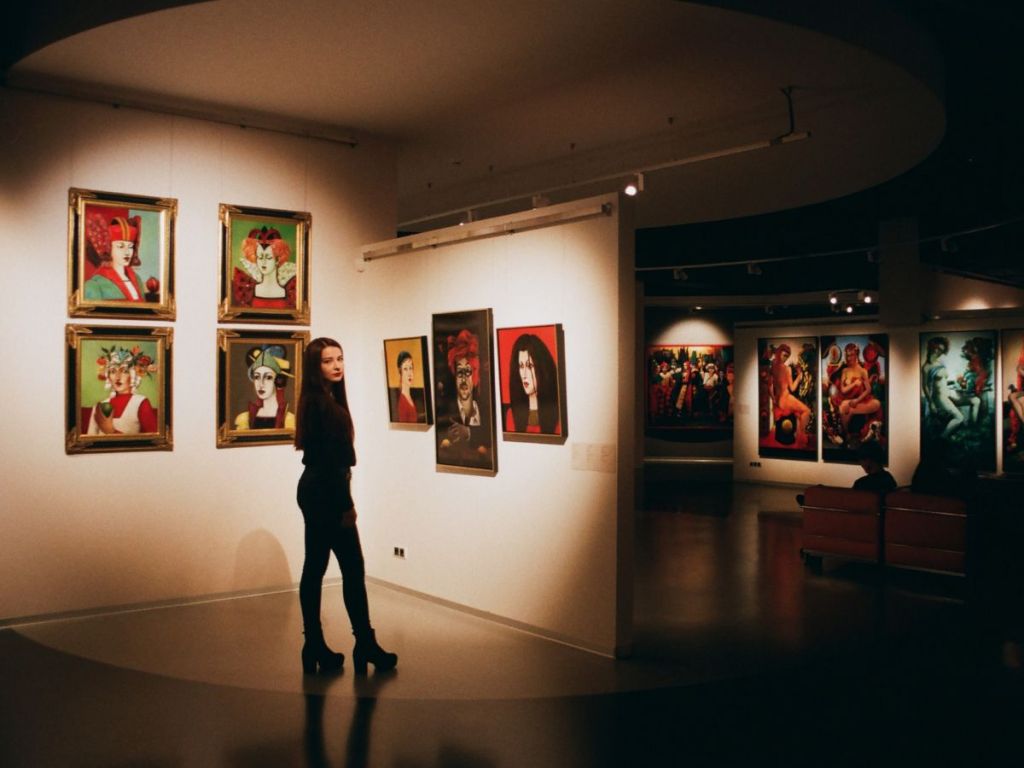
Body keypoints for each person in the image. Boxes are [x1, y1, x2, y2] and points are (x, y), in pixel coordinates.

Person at [294, 337, 397, 675]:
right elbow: (332, 464)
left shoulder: (316, 401)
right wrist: (347, 505)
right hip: (327, 492)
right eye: (328, 361)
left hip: (315, 490)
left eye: (340, 358)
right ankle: (363, 644)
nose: (337, 365)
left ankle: (315, 645)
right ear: (315, 367)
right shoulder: (324, 405)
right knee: (352, 568)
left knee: (316, 567)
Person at [86, 345, 158, 434]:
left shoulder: (141, 402)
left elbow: (153, 440)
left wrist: (111, 431)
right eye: (113, 371)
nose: (118, 377)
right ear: (108, 376)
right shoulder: (99, 405)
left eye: (125, 371)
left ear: (133, 375)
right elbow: (89, 439)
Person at [506, 333, 560, 434]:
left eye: (530, 366)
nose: (524, 374)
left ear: (542, 368)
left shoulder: (558, 415)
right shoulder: (511, 415)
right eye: (521, 366)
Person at [83, 216, 146, 301]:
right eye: (120, 246)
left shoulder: (137, 280)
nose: (127, 252)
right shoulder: (95, 285)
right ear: (108, 249)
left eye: (130, 246)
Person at [232, 226, 296, 309]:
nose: (263, 262)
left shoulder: (290, 292)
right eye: (260, 257)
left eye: (269, 258)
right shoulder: (248, 290)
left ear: (278, 259)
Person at [234, 345, 295, 430]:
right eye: (257, 377)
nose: (261, 384)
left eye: (268, 377)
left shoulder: (289, 419)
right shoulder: (245, 418)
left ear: (278, 380)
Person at [770, 344, 811, 448]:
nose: (785, 358)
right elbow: (792, 388)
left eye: (787, 356)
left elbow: (770, 386)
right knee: (807, 411)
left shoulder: (772, 367)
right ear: (779, 353)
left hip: (779, 400)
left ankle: (798, 435)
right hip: (786, 398)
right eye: (784, 355)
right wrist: (799, 376)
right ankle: (801, 439)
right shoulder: (787, 369)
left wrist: (774, 399)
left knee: (798, 413)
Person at [445, 329, 481, 444]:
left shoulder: (485, 408)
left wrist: (468, 432)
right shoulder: (447, 413)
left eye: (468, 372)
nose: (464, 380)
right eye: (460, 372)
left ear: (474, 374)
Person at [395, 351, 419, 423]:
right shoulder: (402, 401)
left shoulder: (409, 395)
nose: (409, 373)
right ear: (400, 371)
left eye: (411, 368)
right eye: (405, 369)